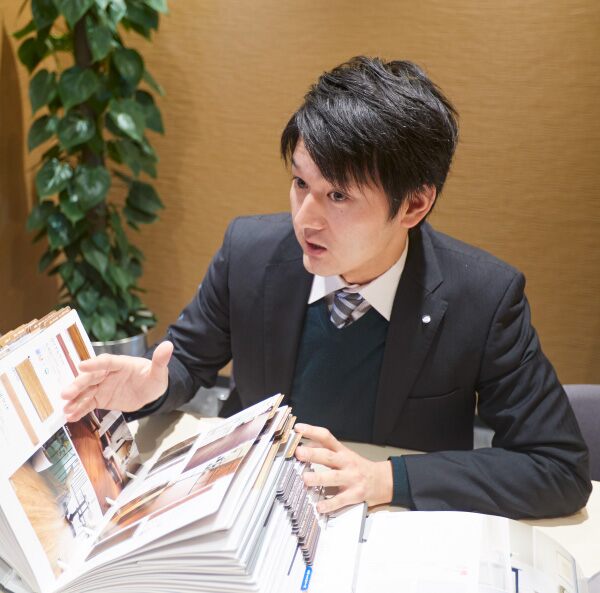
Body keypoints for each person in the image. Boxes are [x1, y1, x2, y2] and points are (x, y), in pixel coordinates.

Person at [62, 56, 592, 519]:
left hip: (387, 525)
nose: (305, 220)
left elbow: (557, 466)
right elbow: (185, 362)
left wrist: (388, 479)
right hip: (252, 509)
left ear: (414, 204)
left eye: (338, 196)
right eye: (301, 183)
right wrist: (151, 387)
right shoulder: (250, 252)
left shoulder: (483, 296)